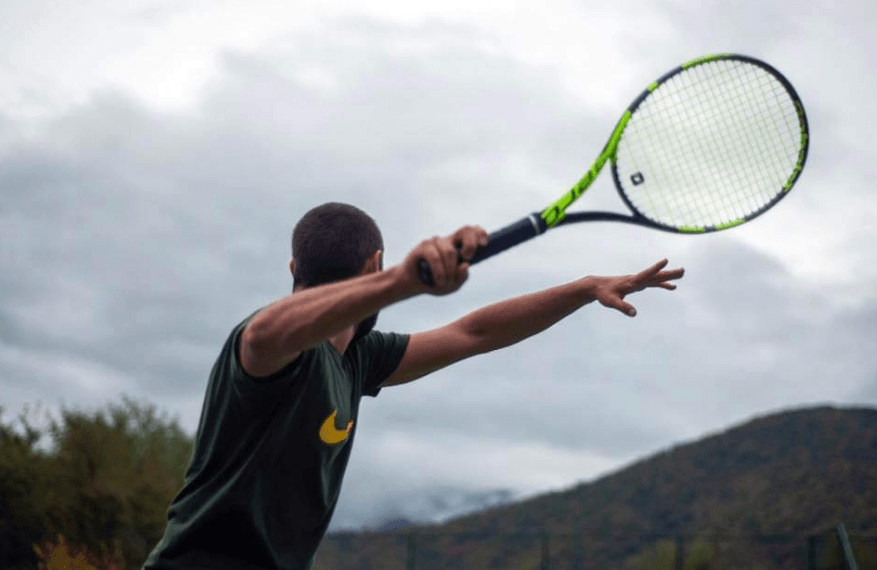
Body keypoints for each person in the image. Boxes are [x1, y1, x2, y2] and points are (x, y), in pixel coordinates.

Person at [143, 202, 684, 570]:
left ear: (292, 264)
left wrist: (586, 288)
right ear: (375, 263)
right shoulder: (275, 346)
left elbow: (473, 332)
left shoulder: (358, 359)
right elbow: (264, 333)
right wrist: (401, 281)